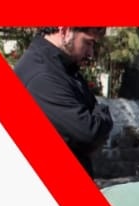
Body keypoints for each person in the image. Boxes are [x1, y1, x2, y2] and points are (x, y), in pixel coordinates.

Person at [14, 27, 112, 176]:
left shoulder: (62, 68)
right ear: (65, 31)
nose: (90, 53)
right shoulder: (42, 75)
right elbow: (87, 133)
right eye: (88, 43)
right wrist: (102, 111)